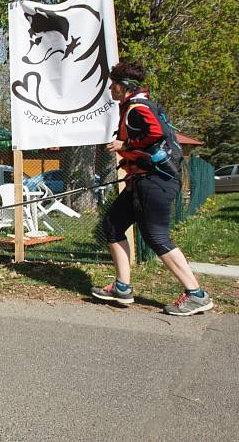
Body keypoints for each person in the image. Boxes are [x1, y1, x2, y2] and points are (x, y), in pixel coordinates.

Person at [91, 60, 213, 316]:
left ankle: (196, 294)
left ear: (123, 87)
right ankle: (122, 287)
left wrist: (124, 146)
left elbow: (155, 133)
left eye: (113, 84)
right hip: (142, 180)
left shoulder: (137, 106)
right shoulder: (134, 105)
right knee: (112, 225)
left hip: (155, 181)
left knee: (156, 236)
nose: (110, 88)